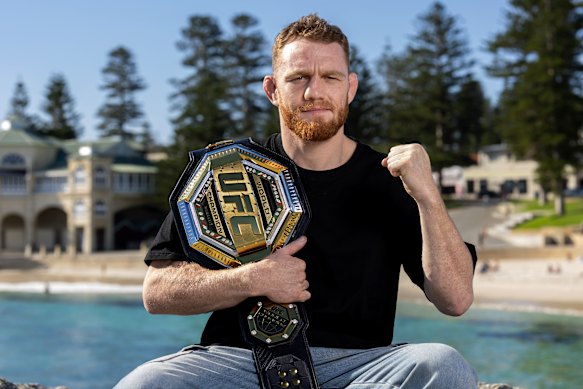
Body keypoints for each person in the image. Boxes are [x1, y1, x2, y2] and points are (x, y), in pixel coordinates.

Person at [115, 14, 478, 388]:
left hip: (358, 368)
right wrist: (250, 279)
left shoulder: (390, 179)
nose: (313, 92)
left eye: (330, 77)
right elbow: (157, 292)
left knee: (443, 365)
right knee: (145, 382)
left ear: (350, 88)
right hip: (239, 363)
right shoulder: (226, 172)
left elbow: (455, 299)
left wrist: (429, 197)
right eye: (298, 77)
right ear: (272, 89)